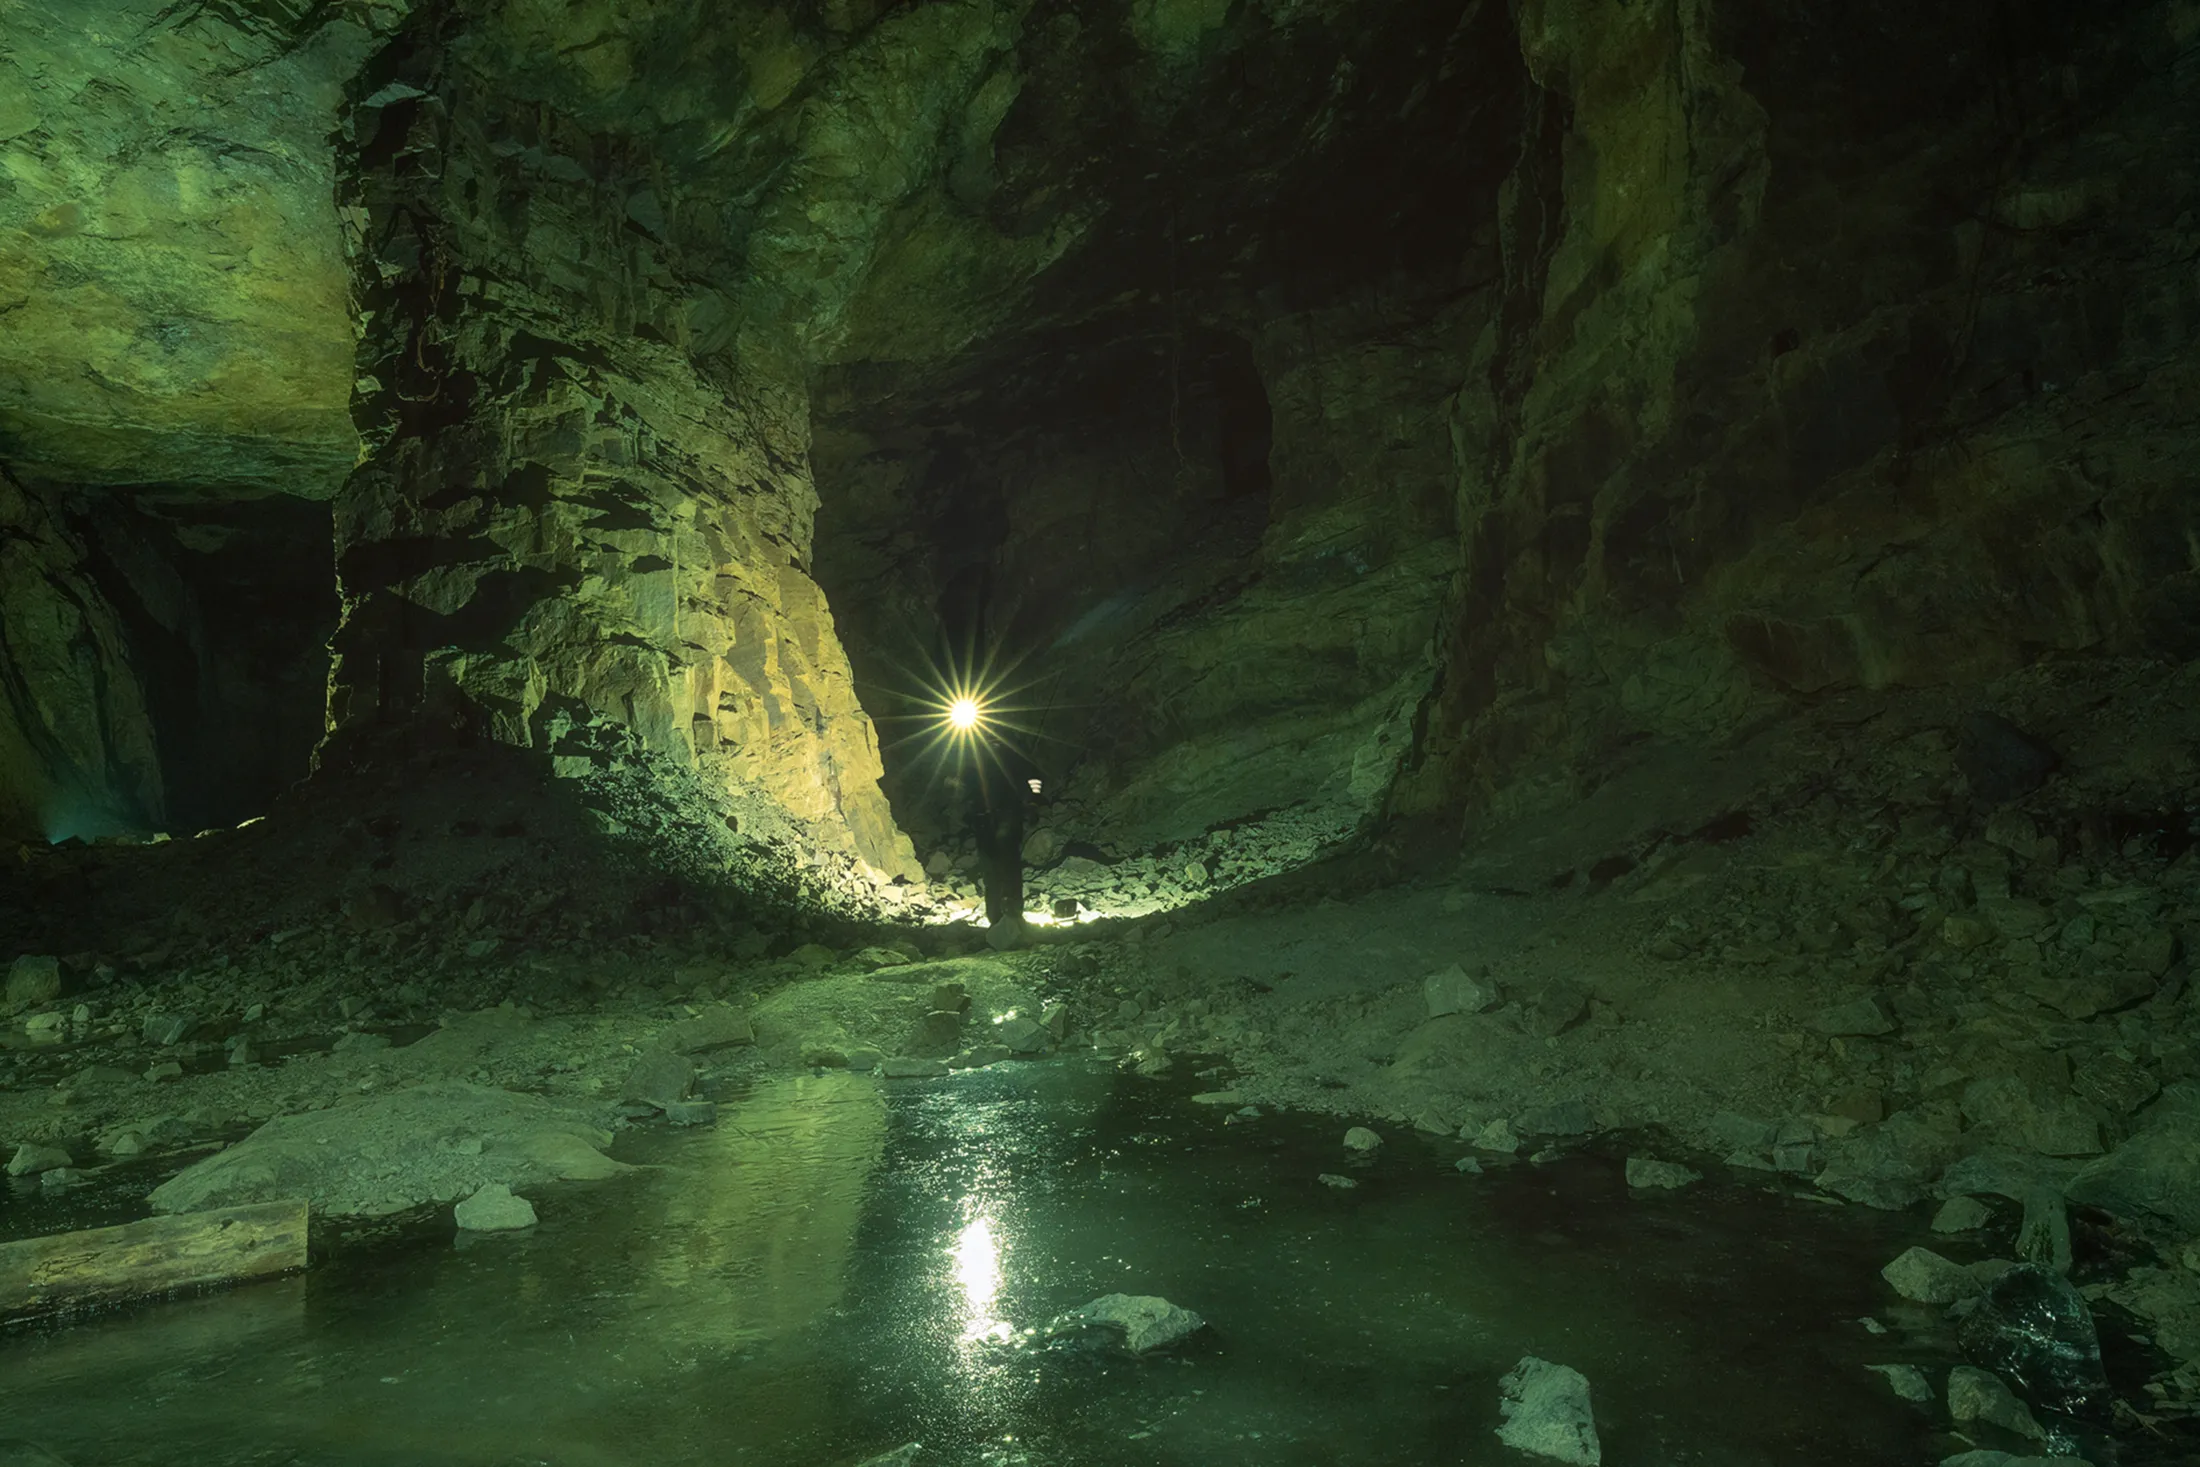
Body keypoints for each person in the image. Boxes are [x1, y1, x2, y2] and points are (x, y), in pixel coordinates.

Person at [970, 730, 1042, 941]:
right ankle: (998, 916)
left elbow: (1032, 777)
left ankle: (1008, 915)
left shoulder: (1010, 752)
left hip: (1006, 813)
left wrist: (1032, 801)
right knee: (995, 866)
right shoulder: (977, 752)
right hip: (987, 816)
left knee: (1004, 864)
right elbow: (967, 781)